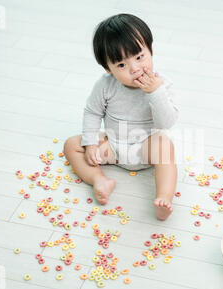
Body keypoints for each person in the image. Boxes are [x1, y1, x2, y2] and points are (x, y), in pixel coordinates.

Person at [63, 13, 179, 221]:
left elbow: (166, 123)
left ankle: (164, 198)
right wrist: (90, 144)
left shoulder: (163, 85)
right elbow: (92, 112)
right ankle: (98, 180)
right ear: (108, 69)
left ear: (150, 51)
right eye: (122, 65)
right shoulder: (105, 85)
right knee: (72, 144)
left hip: (146, 148)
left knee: (165, 146)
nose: (134, 69)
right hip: (113, 148)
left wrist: (155, 93)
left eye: (139, 57)